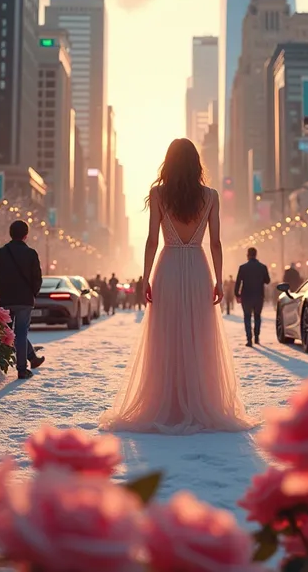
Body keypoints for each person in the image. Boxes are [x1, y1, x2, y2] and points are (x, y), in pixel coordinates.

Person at [99, 138, 253, 434]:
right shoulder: (210, 196)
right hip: (198, 267)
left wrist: (146, 276)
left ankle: (168, 403)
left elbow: (152, 241)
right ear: (196, 163)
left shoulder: (158, 194)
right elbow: (216, 242)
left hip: (167, 267)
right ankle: (199, 401)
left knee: (166, 335)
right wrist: (219, 280)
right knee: (199, 334)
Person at [0, 220, 45, 380]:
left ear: (10, 233)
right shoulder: (31, 254)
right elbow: (37, 279)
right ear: (26, 235)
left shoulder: (1, 253)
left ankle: (2, 366)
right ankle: (22, 369)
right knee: (20, 333)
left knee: (7, 333)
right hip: (25, 301)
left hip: (6, 299)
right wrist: (32, 294)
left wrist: (2, 291)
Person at [235, 248, 270, 347]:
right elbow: (267, 281)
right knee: (257, 316)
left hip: (246, 296)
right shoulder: (262, 267)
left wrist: (237, 295)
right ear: (256, 254)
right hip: (259, 295)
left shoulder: (243, 268)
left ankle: (249, 339)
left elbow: (238, 282)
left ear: (248, 255)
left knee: (247, 317)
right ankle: (257, 337)